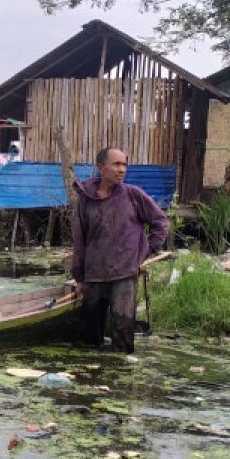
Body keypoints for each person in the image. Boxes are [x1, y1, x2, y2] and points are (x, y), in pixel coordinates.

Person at [71, 147, 169, 354]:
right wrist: (79, 277)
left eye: (124, 165)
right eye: (116, 164)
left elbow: (161, 223)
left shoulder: (134, 195)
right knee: (90, 336)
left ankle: (120, 378)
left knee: (123, 332)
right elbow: (79, 241)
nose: (122, 170)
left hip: (124, 276)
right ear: (101, 168)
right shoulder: (86, 199)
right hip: (94, 277)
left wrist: (146, 251)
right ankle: (90, 377)